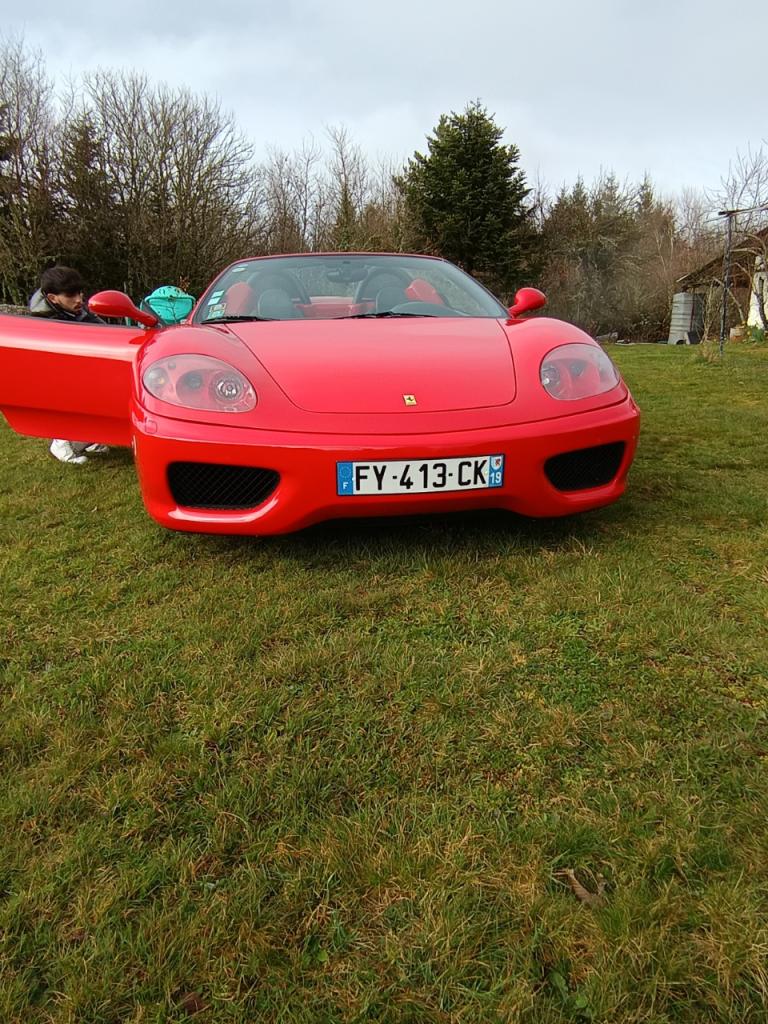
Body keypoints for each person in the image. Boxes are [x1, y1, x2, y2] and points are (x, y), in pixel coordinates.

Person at [28, 265, 110, 466]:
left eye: (80, 293)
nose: (79, 299)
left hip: (84, 368)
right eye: (71, 295)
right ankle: (61, 442)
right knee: (67, 395)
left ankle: (88, 438)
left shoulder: (79, 311)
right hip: (57, 377)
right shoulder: (42, 322)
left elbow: (105, 333)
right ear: (53, 298)